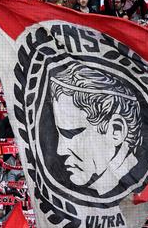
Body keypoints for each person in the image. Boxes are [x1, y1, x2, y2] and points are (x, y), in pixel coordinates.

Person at [49, 63, 141, 195]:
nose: (60, 150)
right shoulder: (103, 187)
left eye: (71, 132)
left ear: (116, 131)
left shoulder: (126, 188)